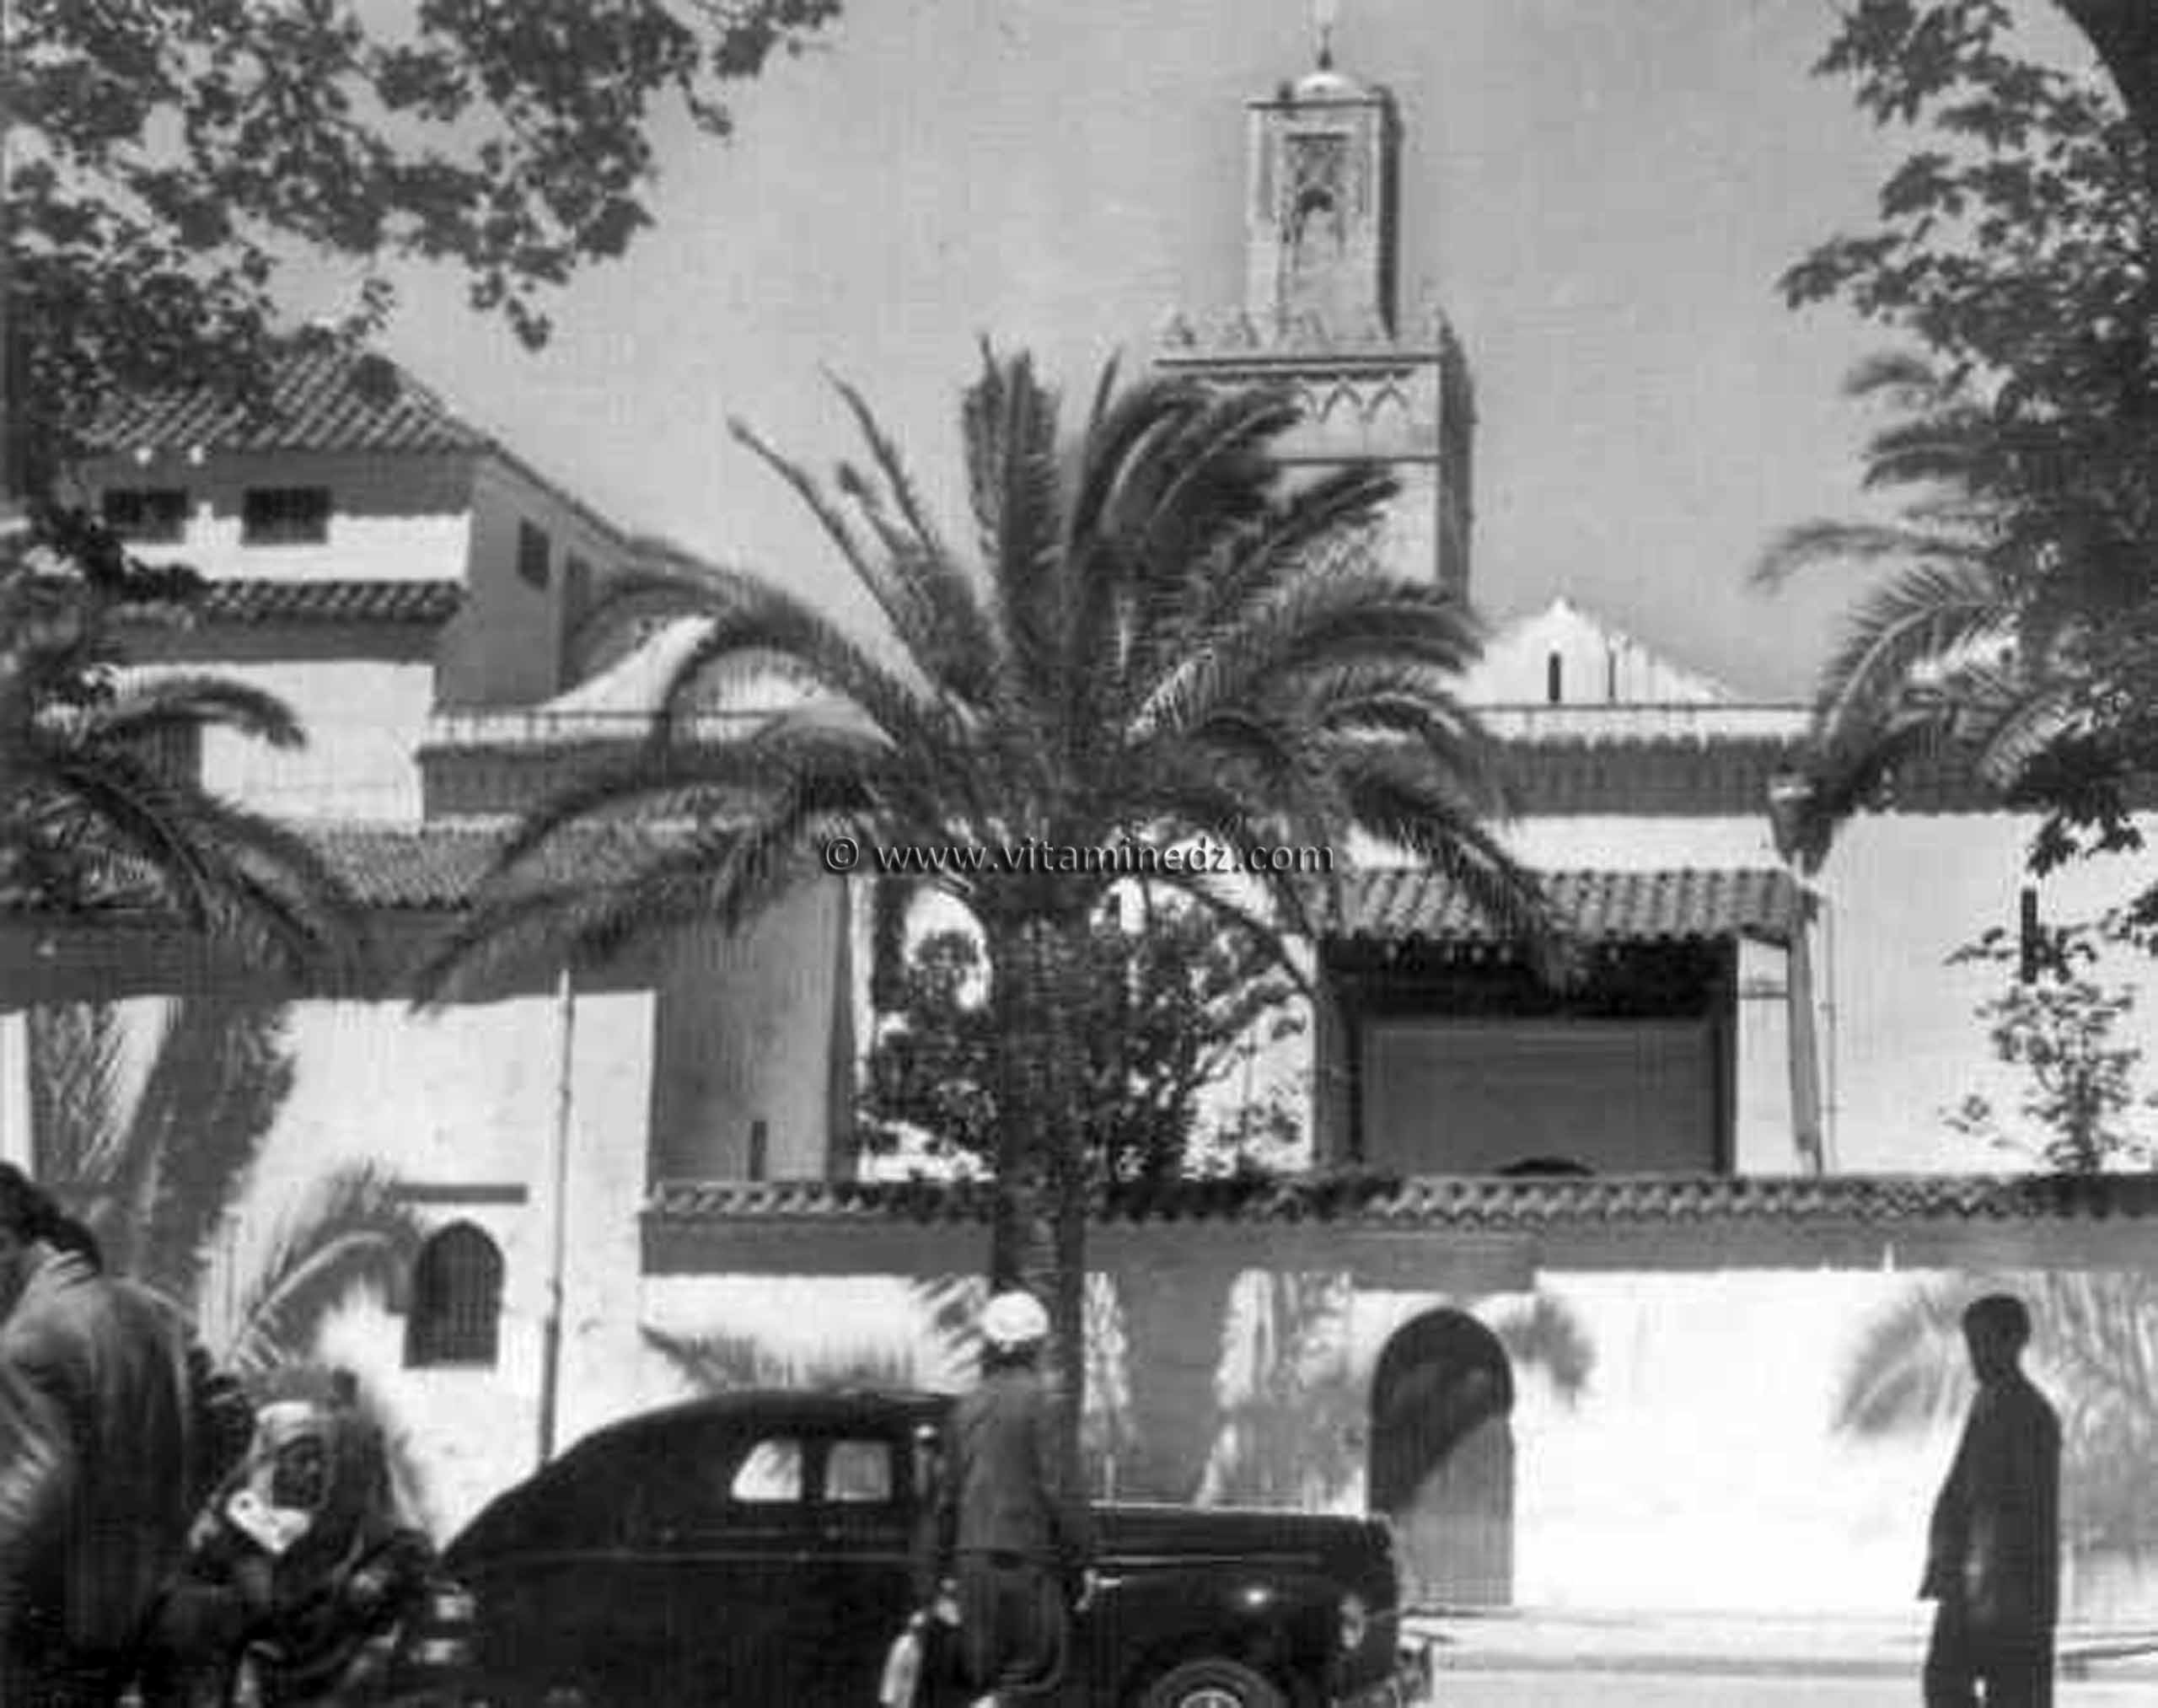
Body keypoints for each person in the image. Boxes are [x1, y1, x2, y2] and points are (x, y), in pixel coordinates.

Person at [0, 1166, 234, 1706]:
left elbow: (33, 1498)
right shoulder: (153, 1312)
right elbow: (229, 1418)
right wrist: (173, 1508)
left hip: (53, 1639)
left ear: (5, 1242)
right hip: (145, 1617)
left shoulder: (25, 1342)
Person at [923, 1290, 1095, 1708]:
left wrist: (932, 1581)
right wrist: (1084, 1556)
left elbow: (945, 1500)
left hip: (970, 1565)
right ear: (1039, 1345)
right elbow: (1057, 1488)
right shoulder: (1044, 1403)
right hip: (1026, 1561)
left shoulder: (966, 1408)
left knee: (987, 1679)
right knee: (1031, 1680)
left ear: (988, 1343)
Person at [1920, 1292, 2062, 1708]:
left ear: (2013, 1342)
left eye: (1983, 1343)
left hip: (2007, 1594)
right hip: (1979, 1585)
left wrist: (1988, 1584)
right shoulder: (1992, 1403)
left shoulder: (2028, 1413)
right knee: (1946, 1682)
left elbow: (2023, 1515)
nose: (1975, 1356)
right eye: (1972, 1344)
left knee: (1993, 1691)